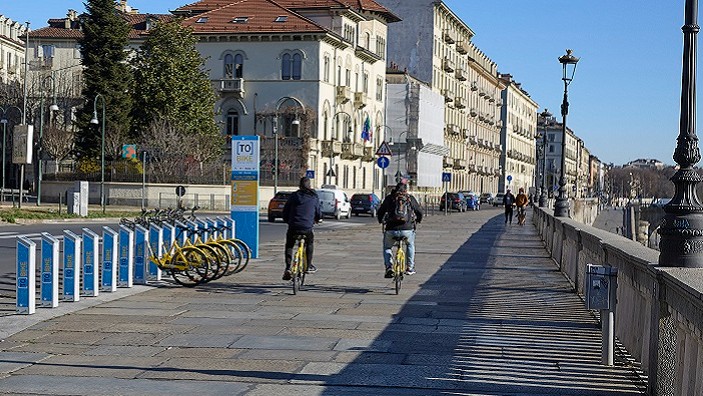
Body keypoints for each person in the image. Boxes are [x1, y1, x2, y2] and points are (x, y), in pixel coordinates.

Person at [377, 180, 423, 278]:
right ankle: (410, 267)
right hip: (407, 229)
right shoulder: (410, 198)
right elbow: (419, 211)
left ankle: (389, 267)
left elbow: (380, 211)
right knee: (410, 244)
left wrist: (380, 220)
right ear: (406, 190)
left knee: (387, 247)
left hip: (391, 229)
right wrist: (418, 220)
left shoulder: (390, 198)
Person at [281, 177, 322, 281]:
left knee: (289, 245)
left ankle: (288, 267)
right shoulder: (314, 197)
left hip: (293, 226)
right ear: (309, 186)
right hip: (307, 227)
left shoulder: (294, 196)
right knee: (309, 243)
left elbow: (286, 210)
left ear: (299, 186)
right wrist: (318, 219)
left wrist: (286, 220)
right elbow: (318, 212)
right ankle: (308, 266)